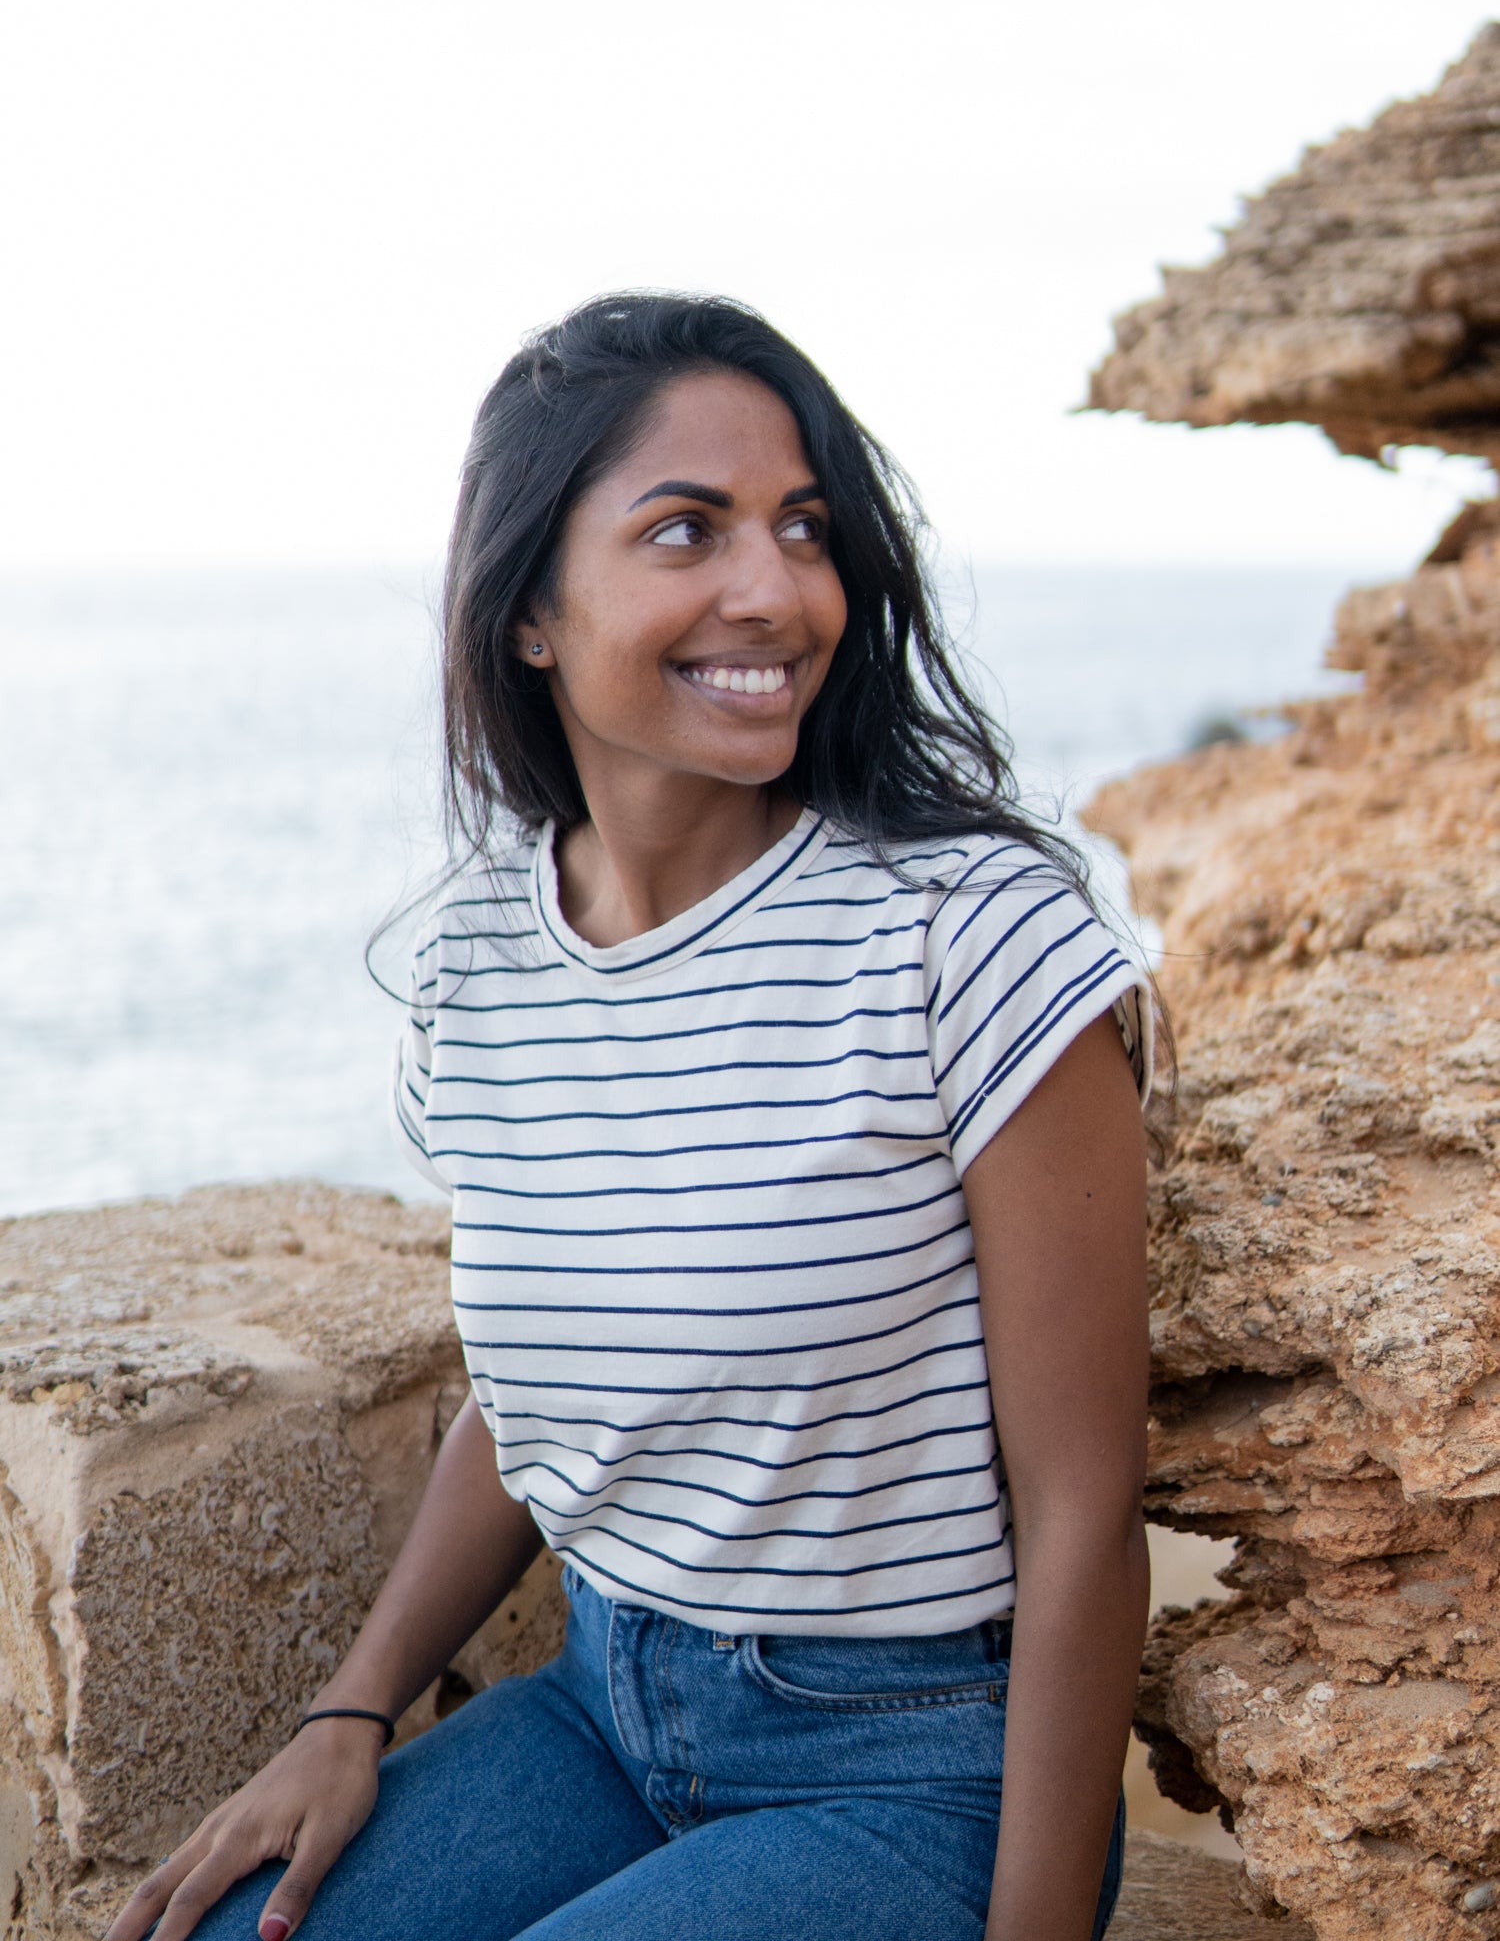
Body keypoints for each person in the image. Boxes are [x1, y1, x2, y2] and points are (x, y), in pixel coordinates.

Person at [106, 293, 1153, 1941]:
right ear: (530, 609)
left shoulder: (969, 933)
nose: (778, 589)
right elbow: (532, 1404)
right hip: (603, 1711)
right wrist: (348, 1712)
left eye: (803, 527)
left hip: (918, 1765)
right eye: (688, 529)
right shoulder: (479, 953)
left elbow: (1087, 1507)